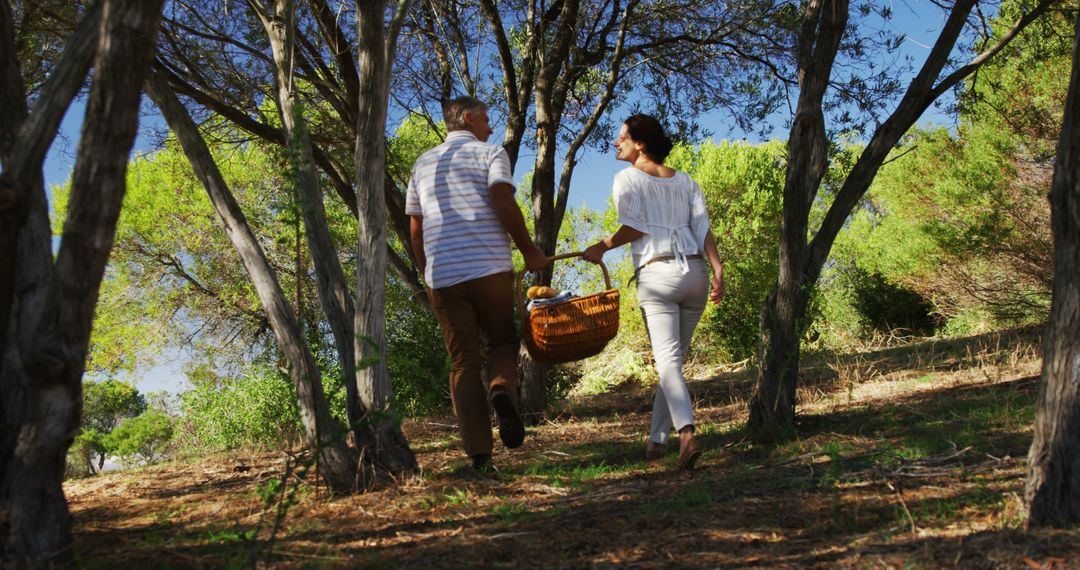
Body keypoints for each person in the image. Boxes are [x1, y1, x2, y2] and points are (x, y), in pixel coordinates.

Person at [406, 96, 549, 474]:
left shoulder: (422, 163)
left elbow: (415, 228)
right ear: (467, 118)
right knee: (501, 341)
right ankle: (501, 389)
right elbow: (502, 201)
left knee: (463, 362)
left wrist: (427, 272)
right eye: (486, 119)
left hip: (444, 276)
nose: (489, 126)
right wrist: (530, 251)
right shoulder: (490, 154)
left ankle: (481, 459)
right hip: (488, 267)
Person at [583, 114, 724, 471]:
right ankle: (656, 442)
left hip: (658, 273)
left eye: (622, 138)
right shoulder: (686, 181)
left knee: (667, 363)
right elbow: (702, 227)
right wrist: (717, 267)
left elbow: (635, 226)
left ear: (640, 144)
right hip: (695, 272)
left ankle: (687, 433)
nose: (616, 143)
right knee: (671, 365)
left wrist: (602, 246)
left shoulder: (627, 178)